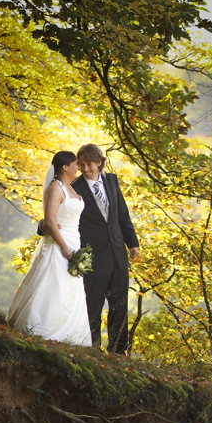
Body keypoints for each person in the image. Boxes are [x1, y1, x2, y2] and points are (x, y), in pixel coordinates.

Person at [8, 151, 91, 346]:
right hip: (59, 245)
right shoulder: (56, 188)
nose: (78, 167)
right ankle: (42, 329)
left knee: (70, 288)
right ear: (65, 167)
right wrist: (64, 247)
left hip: (74, 240)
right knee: (53, 285)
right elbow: (50, 222)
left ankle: (70, 334)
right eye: (75, 164)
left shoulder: (71, 188)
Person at [72, 143, 140, 354]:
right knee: (93, 305)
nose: (85, 169)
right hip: (92, 256)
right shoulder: (75, 187)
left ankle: (118, 352)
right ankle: (92, 349)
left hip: (118, 253)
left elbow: (122, 214)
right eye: (81, 164)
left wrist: (133, 243)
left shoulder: (111, 181)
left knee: (119, 305)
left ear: (99, 162)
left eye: (89, 164)